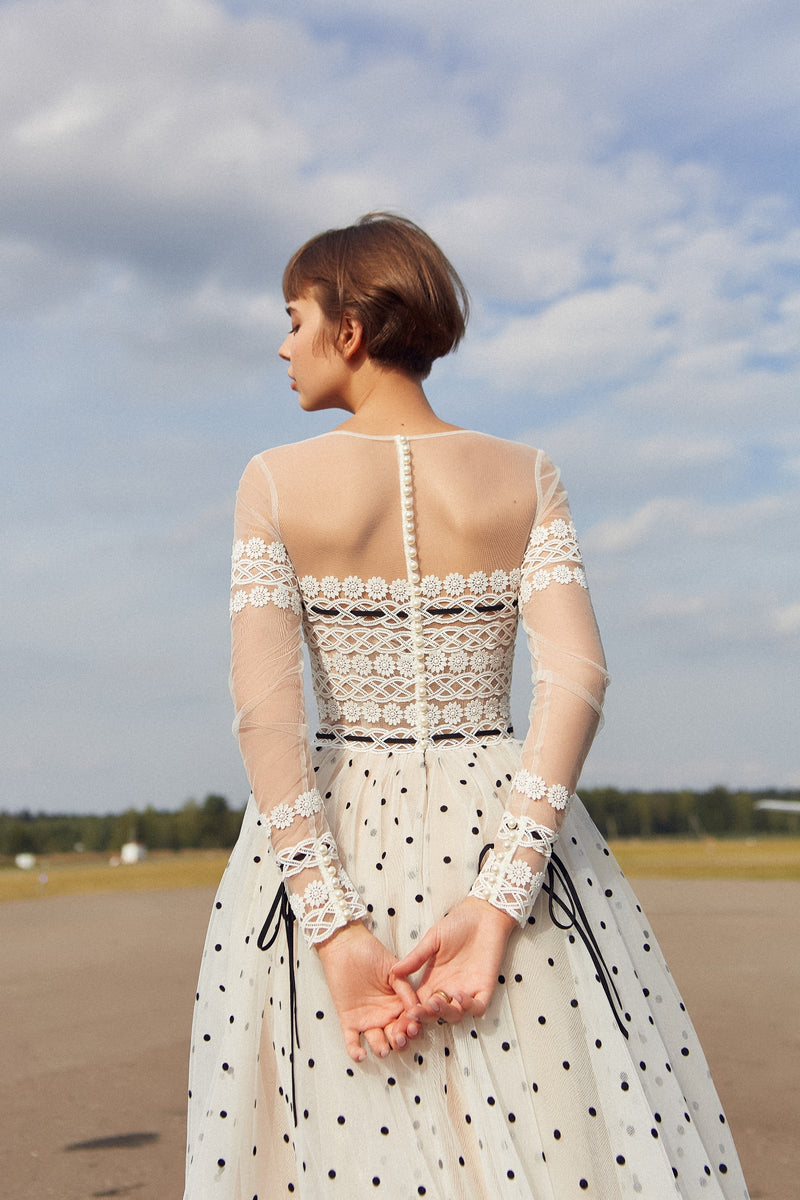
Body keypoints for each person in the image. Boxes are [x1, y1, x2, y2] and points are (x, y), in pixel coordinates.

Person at [184, 214, 748, 1198]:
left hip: (333, 828)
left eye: (292, 318)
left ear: (347, 330)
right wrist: (501, 893)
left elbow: (265, 715)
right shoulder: (525, 475)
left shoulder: (274, 480)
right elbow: (577, 675)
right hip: (506, 825)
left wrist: (330, 921)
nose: (282, 345)